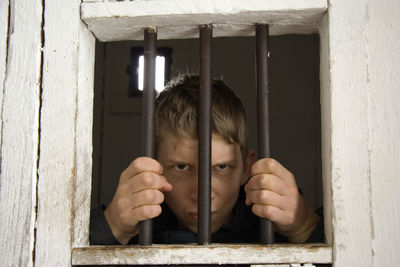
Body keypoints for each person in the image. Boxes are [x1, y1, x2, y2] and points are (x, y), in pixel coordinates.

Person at [90, 75, 323, 245]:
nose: (202, 193)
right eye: (181, 167)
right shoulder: (140, 229)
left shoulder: (271, 224)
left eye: (222, 167)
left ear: (247, 168)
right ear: (155, 169)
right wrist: (111, 228)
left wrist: (304, 227)